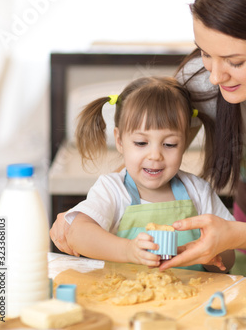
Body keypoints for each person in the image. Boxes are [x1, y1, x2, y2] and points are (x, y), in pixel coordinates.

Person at [51, 0, 246, 277]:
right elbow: (156, 151)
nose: (215, 77)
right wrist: (92, 209)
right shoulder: (200, 80)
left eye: (234, 61)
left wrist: (234, 235)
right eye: (204, 52)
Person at [63, 76, 235, 273]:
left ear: (185, 142)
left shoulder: (199, 191)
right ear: (119, 140)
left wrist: (211, 254)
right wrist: (128, 251)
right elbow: (77, 234)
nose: (155, 155)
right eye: (141, 143)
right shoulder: (112, 189)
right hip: (124, 299)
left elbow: (228, 259)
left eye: (169, 144)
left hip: (188, 300)